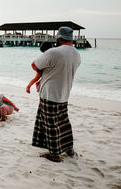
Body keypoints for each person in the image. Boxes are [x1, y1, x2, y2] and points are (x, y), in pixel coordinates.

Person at [29, 27, 81, 162]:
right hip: (64, 92)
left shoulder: (54, 52)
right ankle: (69, 148)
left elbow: (34, 65)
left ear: (58, 38)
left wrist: (43, 71)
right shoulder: (76, 53)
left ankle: (55, 154)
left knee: (50, 123)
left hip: (50, 92)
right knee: (63, 121)